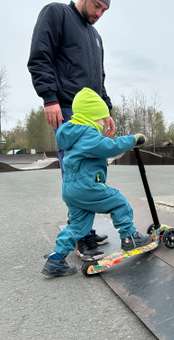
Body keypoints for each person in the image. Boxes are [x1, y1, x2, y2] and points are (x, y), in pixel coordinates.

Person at [27, 0, 114, 258]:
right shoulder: (57, 13)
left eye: (104, 11)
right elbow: (40, 57)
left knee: (92, 172)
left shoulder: (95, 36)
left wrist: (106, 109)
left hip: (92, 117)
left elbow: (100, 78)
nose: (99, 14)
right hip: (67, 110)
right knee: (76, 172)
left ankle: (84, 229)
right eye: (97, 6)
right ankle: (80, 234)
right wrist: (49, 98)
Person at [42, 87, 153, 277]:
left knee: (77, 226)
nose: (102, 124)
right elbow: (110, 147)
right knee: (118, 201)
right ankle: (130, 237)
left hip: (71, 189)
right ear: (91, 118)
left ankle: (56, 259)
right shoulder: (88, 135)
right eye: (100, 119)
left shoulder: (72, 134)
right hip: (87, 187)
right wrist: (133, 139)